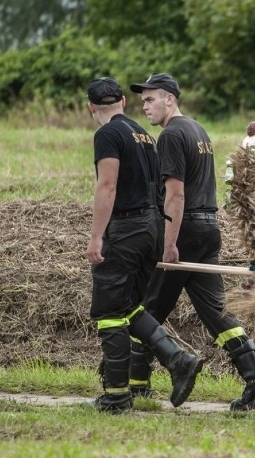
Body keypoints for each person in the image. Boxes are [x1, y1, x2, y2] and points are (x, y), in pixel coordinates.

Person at [129, 72, 255, 411]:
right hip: (208, 229)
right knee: (217, 313)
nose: (145, 106)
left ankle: (136, 385)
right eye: (142, 101)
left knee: (146, 307)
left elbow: (176, 194)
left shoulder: (170, 136)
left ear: (170, 98)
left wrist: (169, 242)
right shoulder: (198, 131)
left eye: (150, 99)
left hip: (183, 231)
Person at [85, 77, 204, 414]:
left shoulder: (107, 134)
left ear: (91, 106)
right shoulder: (143, 134)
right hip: (151, 228)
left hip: (125, 230)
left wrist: (96, 236)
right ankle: (177, 359)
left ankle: (117, 395)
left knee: (109, 312)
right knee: (130, 307)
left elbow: (107, 186)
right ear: (123, 101)